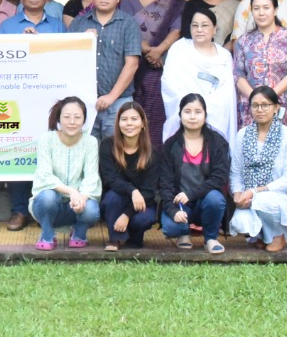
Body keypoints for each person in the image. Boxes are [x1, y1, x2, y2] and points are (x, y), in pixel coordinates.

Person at [0, 0, 66, 230]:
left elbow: (66, 59)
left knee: (50, 155)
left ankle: (46, 210)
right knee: (19, 153)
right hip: (18, 102)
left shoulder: (58, 25)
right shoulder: (7, 26)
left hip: (50, 101)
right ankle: (18, 211)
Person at [228, 86, 287, 253]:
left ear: (276, 108)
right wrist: (238, 194)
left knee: (262, 200)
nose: (260, 110)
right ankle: (262, 236)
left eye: (265, 105)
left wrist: (256, 191)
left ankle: (277, 236)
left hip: (282, 196)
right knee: (240, 222)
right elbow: (236, 172)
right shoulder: (243, 135)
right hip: (249, 195)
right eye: (255, 105)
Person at [69, 0, 142, 138]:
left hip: (119, 101)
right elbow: (67, 59)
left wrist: (111, 97)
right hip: (84, 102)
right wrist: (82, 41)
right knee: (85, 154)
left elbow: (132, 64)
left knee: (116, 154)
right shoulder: (79, 23)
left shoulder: (129, 24)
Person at [156, 93, 230, 253]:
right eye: (187, 111)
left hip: (206, 201)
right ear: (180, 115)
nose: (192, 116)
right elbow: (165, 184)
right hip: (181, 204)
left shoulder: (218, 142)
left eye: (198, 112)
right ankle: (183, 233)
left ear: (205, 114)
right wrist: (173, 211)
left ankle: (210, 238)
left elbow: (220, 177)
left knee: (215, 199)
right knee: (171, 228)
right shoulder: (171, 145)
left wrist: (191, 193)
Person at [122, 0, 185, 148]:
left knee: (158, 114)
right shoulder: (128, 0)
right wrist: (148, 50)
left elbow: (176, 30)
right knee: (135, 112)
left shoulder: (172, 3)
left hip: (161, 65)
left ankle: (157, 154)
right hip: (134, 63)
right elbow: (126, 27)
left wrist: (159, 50)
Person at [30, 96, 102, 250]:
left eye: (77, 117)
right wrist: (71, 191)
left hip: (77, 203)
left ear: (84, 120)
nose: (72, 122)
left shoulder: (90, 142)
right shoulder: (46, 139)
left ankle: (79, 234)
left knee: (90, 210)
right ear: (59, 118)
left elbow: (91, 176)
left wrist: (81, 198)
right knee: (47, 197)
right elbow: (45, 175)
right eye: (67, 117)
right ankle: (47, 236)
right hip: (50, 202)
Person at [232, 0, 287, 135]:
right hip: (252, 106)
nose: (261, 12)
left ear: (275, 10)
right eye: (256, 8)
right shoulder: (244, 40)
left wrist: (269, 97)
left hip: (284, 102)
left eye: (266, 8)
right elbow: (238, 74)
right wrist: (256, 99)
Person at [161, 8, 237, 144]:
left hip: (216, 118)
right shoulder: (179, 49)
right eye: (195, 25)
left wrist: (206, 107)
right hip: (184, 113)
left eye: (205, 25)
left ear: (215, 29)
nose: (199, 29)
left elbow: (227, 91)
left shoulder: (224, 56)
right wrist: (192, 108)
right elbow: (169, 83)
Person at [99, 101, 157, 251]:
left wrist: (127, 214)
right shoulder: (107, 146)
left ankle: (134, 238)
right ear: (118, 123)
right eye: (124, 119)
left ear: (143, 123)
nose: (129, 124)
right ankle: (114, 239)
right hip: (116, 199)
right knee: (113, 197)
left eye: (134, 119)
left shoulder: (152, 153)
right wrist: (132, 190)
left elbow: (149, 191)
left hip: (142, 202)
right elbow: (110, 179)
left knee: (144, 219)